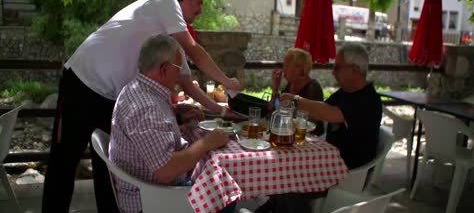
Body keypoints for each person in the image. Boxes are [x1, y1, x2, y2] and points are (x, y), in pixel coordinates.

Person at [42, 0, 241, 213]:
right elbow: (195, 51)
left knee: (110, 170)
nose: (200, 11)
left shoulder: (168, 42)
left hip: (110, 96)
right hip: (82, 82)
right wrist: (228, 81)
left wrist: (221, 111)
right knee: (63, 163)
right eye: (198, 3)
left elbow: (187, 84)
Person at [109, 35, 232, 213]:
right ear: (164, 70)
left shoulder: (139, 89)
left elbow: (154, 129)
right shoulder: (145, 108)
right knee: (224, 190)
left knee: (216, 172)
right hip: (154, 199)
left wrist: (178, 114)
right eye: (179, 67)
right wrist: (207, 143)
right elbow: (166, 171)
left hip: (151, 188)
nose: (181, 73)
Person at [257, 43, 381, 213]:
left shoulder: (366, 98)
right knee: (282, 175)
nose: (332, 72)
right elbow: (318, 113)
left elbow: (331, 114)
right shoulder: (346, 92)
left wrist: (296, 100)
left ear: (354, 69)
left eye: (337, 67)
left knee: (289, 184)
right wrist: (288, 104)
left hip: (348, 171)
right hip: (328, 160)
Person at [268, 48, 324, 134]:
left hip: (309, 137)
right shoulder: (290, 84)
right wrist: (275, 88)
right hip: (289, 133)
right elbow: (273, 108)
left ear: (300, 69)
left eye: (287, 66)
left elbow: (314, 120)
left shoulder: (313, 87)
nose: (283, 70)